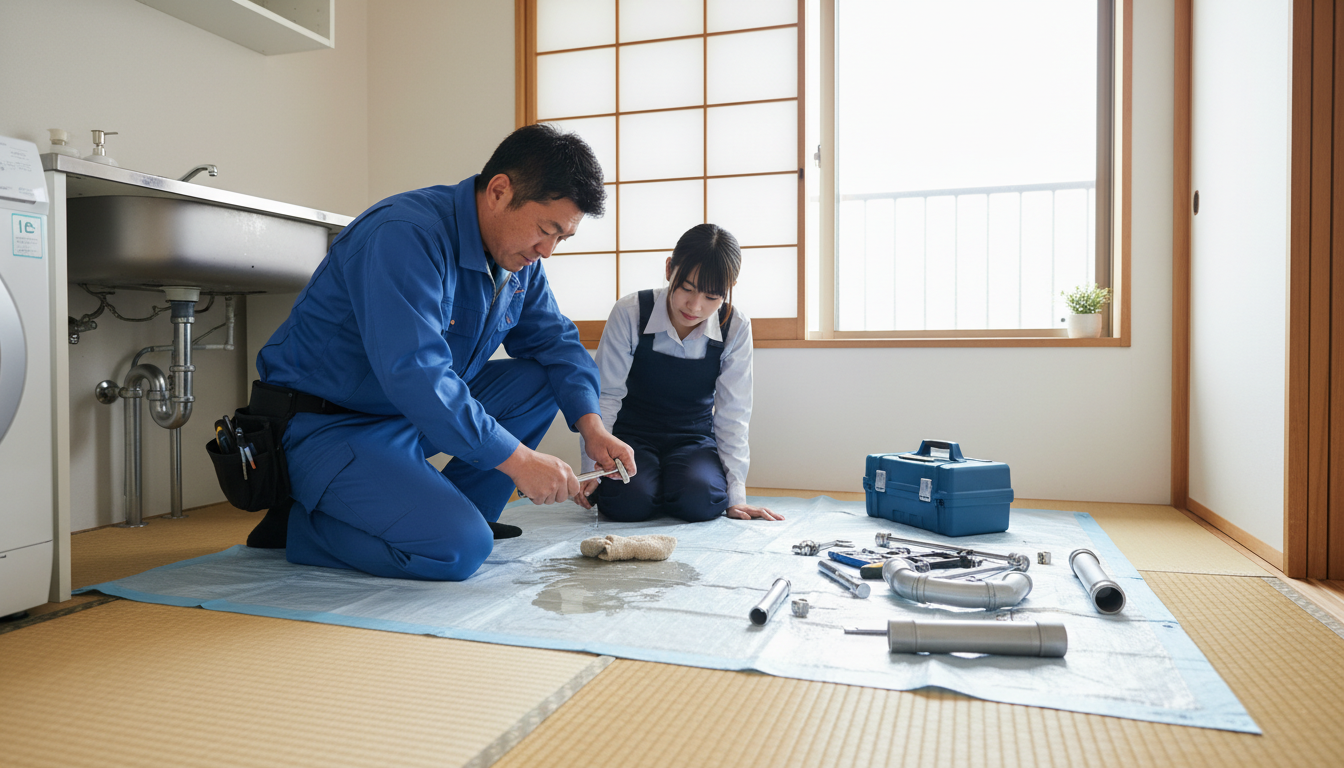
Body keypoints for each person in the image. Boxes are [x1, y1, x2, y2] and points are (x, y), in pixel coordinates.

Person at [247, 123, 635, 581]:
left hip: (401, 417)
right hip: (328, 426)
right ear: (499, 190)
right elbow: (417, 374)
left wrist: (592, 428)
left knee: (541, 379)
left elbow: (556, 343)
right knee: (459, 550)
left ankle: (448, 510)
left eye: (561, 239)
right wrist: (520, 461)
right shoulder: (405, 234)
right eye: (545, 230)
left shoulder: (515, 259)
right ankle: (300, 524)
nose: (547, 251)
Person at [575, 224, 781, 523]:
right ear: (670, 268)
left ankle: (672, 486)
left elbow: (732, 414)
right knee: (626, 503)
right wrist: (593, 467)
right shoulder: (631, 312)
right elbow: (605, 396)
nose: (695, 306)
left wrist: (736, 496)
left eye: (712, 297)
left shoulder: (735, 326)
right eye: (687, 288)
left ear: (729, 287)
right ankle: (654, 488)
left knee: (702, 501)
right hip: (630, 437)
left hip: (693, 438)